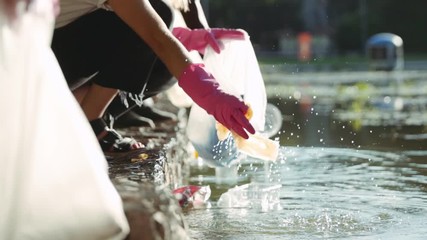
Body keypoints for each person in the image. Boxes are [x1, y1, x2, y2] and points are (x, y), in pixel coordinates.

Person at [51, 0, 255, 158]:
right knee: (160, 15)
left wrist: (187, 38)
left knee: (162, 68)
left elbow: (145, 27)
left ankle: (78, 109)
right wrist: (211, 95)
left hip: (52, 54)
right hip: (38, 62)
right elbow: (155, 35)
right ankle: (90, 122)